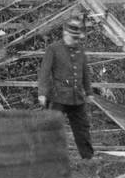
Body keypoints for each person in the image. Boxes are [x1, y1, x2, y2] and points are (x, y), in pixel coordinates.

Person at [38, 14, 95, 159]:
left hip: (77, 98)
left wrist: (89, 92)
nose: (76, 41)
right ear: (65, 34)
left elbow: (85, 73)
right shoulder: (53, 49)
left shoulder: (80, 50)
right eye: (73, 37)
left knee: (82, 128)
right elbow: (44, 72)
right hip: (58, 97)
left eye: (78, 38)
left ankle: (87, 157)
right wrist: (42, 93)